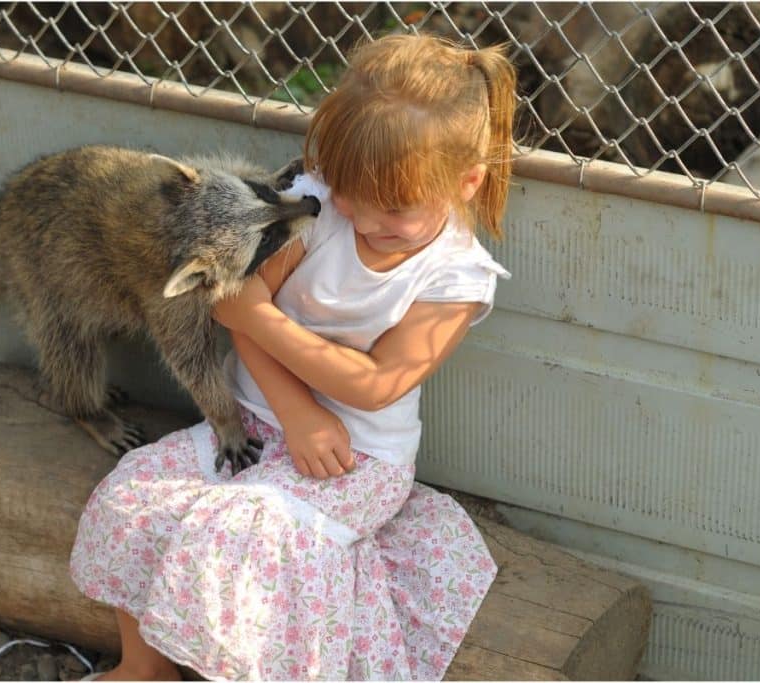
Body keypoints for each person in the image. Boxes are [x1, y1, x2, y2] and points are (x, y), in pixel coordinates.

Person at [69, 32, 517, 681]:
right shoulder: (323, 200)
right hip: (259, 422)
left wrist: (257, 316)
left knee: (242, 538)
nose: (359, 216)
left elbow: (374, 382)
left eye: (388, 207)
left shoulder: (453, 277)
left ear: (467, 181)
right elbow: (232, 302)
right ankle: (145, 669)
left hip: (354, 461)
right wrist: (294, 409)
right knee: (134, 493)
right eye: (349, 193)